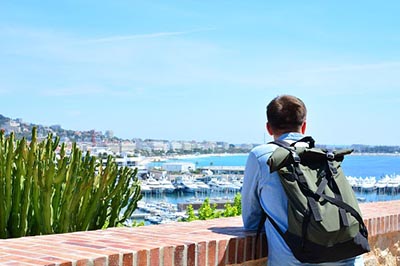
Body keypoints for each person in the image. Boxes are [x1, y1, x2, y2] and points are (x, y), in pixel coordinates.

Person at [241, 95, 364, 266]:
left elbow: (251, 218)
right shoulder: (324, 156)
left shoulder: (262, 156)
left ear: (268, 128)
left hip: (295, 260)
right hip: (348, 254)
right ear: (304, 126)